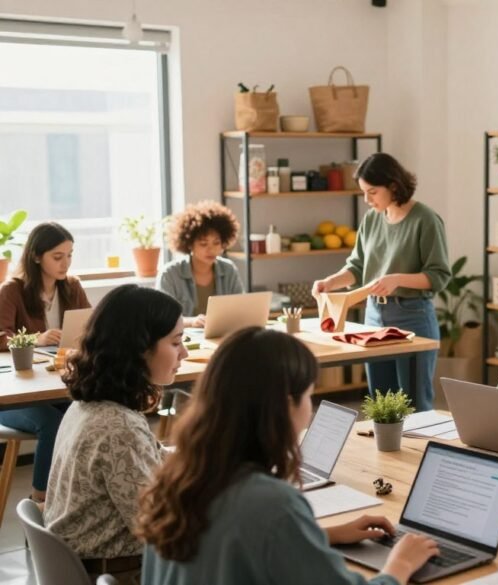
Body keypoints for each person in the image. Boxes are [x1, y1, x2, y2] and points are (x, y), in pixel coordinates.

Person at [136, 327, 438, 585]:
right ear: (283, 405)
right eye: (309, 395)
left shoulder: (175, 479)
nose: (310, 409)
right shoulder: (272, 504)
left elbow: (239, 543)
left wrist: (319, 536)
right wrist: (398, 566)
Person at [45, 284, 186, 583]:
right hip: (120, 573)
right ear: (140, 348)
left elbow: (155, 459)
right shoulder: (119, 427)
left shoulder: (91, 406)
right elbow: (162, 530)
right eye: (176, 343)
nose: (184, 353)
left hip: (92, 564)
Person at [312, 153, 450, 411]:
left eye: (372, 192)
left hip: (413, 317)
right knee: (381, 403)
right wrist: (330, 282)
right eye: (364, 192)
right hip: (373, 316)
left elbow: (439, 276)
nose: (367, 200)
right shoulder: (372, 219)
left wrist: (397, 279)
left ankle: (420, 452)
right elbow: (357, 266)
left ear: (394, 186)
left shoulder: (425, 220)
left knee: (414, 405)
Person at [0, 222, 89, 503]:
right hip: (13, 394)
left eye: (70, 255)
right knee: (52, 423)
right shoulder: (12, 290)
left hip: (54, 380)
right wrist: (36, 339)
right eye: (58, 256)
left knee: (86, 410)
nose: (66, 263)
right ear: (37, 256)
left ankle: (76, 497)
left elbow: (90, 327)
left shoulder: (72, 287)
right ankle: (41, 500)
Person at [157, 200, 243, 328]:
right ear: (190, 244)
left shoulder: (228, 269)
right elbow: (162, 317)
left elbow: (241, 308)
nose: (211, 249)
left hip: (222, 335)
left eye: (216, 243)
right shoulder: (170, 274)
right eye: (203, 244)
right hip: (184, 340)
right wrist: (191, 322)